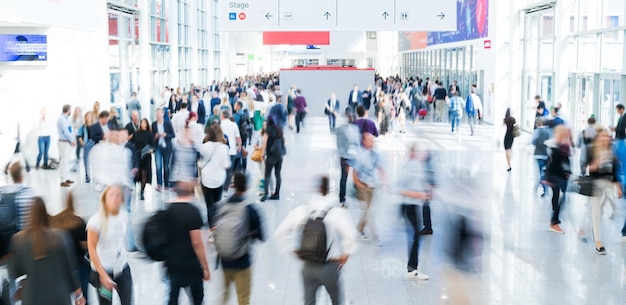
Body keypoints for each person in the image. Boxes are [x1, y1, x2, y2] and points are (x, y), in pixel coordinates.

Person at [274, 176, 357, 305]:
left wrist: (294, 251)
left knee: (309, 302)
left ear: (315, 190)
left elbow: (280, 233)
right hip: (330, 266)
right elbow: (350, 235)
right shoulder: (336, 212)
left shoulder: (302, 210)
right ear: (327, 190)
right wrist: (346, 254)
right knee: (336, 301)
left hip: (308, 267)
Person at [9, 197, 85, 305]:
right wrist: (79, 294)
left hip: (32, 297)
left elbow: (16, 271)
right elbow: (70, 269)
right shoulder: (61, 237)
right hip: (59, 296)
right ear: (45, 213)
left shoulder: (19, 240)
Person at [217, 173, 264, 305]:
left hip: (224, 260)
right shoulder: (250, 209)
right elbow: (261, 236)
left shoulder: (221, 206)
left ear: (233, 185)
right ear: (247, 187)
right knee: (243, 299)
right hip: (242, 261)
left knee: (224, 296)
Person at [164, 182, 211, 305]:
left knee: (173, 297)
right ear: (191, 191)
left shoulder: (168, 210)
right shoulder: (193, 211)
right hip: (191, 265)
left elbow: (165, 238)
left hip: (173, 263)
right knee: (197, 298)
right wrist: (205, 267)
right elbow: (197, 243)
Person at [87, 185, 133, 305]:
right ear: (105, 198)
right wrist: (103, 275)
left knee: (127, 301)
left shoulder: (124, 216)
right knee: (106, 303)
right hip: (103, 271)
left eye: (118, 195)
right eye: (111, 195)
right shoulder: (95, 221)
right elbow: (91, 249)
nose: (115, 198)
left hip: (122, 267)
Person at [398, 144, 432, 280]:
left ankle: (412, 268)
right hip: (409, 205)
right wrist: (420, 195)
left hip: (411, 205)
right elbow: (401, 189)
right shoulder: (410, 167)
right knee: (415, 237)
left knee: (415, 236)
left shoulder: (413, 165)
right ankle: (412, 269)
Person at [50, 192, 90, 303]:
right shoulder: (79, 222)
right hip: (79, 266)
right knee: (83, 298)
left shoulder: (53, 223)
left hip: (61, 268)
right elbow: (85, 246)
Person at [587, 129, 622, 255]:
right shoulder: (592, 150)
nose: (606, 139)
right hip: (595, 184)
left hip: (608, 183)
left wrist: (618, 186)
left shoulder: (612, 151)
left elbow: (615, 170)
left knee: (610, 202)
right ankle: (598, 242)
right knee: (595, 213)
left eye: (607, 137)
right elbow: (585, 168)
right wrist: (592, 166)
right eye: (603, 137)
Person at [353, 132, 387, 243]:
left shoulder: (375, 154)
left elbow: (380, 168)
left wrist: (384, 183)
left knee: (367, 210)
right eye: (369, 140)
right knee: (369, 211)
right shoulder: (360, 155)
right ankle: (375, 236)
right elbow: (354, 173)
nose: (372, 142)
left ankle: (359, 229)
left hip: (372, 186)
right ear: (364, 142)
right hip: (364, 187)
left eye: (373, 140)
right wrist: (360, 185)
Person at [199, 124, 231, 226]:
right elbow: (226, 165)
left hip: (206, 179)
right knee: (217, 203)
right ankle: (217, 225)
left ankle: (211, 226)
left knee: (209, 206)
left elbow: (199, 163)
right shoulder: (224, 148)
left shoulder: (203, 147)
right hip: (219, 179)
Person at [544, 126, 572, 234]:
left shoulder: (562, 146)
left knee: (560, 197)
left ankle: (555, 218)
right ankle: (554, 221)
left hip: (561, 176)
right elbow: (551, 163)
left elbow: (565, 160)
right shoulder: (554, 146)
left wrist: (568, 172)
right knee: (560, 197)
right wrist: (547, 177)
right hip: (556, 176)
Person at [336, 108, 361, 207]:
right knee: (344, 178)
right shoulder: (344, 129)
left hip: (350, 156)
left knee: (350, 177)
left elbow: (357, 142)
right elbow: (340, 143)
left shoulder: (354, 128)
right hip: (346, 156)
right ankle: (342, 199)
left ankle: (348, 197)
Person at [260, 116, 286, 202]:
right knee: (278, 174)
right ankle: (277, 194)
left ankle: (266, 193)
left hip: (271, 156)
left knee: (267, 175)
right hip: (279, 156)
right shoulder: (280, 130)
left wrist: (262, 154)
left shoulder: (268, 131)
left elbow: (264, 144)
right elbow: (284, 142)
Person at [152, 108, 176, 191]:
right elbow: (152, 136)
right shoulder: (154, 124)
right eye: (156, 113)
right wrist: (155, 137)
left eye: (159, 113)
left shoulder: (168, 123)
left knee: (166, 166)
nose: (158, 115)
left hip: (167, 147)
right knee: (158, 166)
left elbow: (173, 134)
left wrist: (166, 135)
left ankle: (166, 183)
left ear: (163, 114)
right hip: (158, 147)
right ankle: (159, 185)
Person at [220, 109, 242, 194]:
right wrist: (239, 146)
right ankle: (225, 189)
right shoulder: (234, 125)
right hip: (232, 150)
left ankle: (221, 187)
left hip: (221, 150)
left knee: (221, 169)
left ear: (222, 116)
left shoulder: (220, 125)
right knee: (229, 171)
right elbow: (238, 137)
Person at [133, 118, 154, 200]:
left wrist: (151, 150)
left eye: (145, 123)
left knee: (144, 173)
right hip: (138, 155)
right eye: (142, 123)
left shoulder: (149, 134)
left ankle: (142, 190)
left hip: (146, 156)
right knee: (138, 173)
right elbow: (133, 142)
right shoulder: (137, 133)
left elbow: (153, 145)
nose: (143, 124)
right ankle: (137, 186)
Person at [57, 104, 76, 187]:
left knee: (66, 161)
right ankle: (62, 180)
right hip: (64, 143)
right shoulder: (62, 120)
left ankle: (66, 178)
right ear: (68, 110)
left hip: (66, 142)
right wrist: (72, 140)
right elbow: (66, 132)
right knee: (64, 162)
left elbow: (70, 130)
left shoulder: (65, 119)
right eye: (70, 110)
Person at [531, 118, 551, 197]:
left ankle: (538, 189)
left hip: (538, 154)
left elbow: (533, 141)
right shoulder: (548, 131)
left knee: (539, 173)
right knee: (543, 171)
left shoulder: (537, 131)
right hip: (546, 155)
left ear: (537, 124)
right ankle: (545, 188)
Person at [79, 111, 95, 183]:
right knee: (86, 160)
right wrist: (82, 142)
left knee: (94, 161)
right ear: (85, 117)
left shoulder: (95, 126)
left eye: (90, 116)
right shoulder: (83, 126)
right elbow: (79, 135)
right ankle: (87, 177)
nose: (88, 118)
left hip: (94, 143)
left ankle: (95, 177)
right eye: (87, 116)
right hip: (87, 143)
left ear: (92, 117)